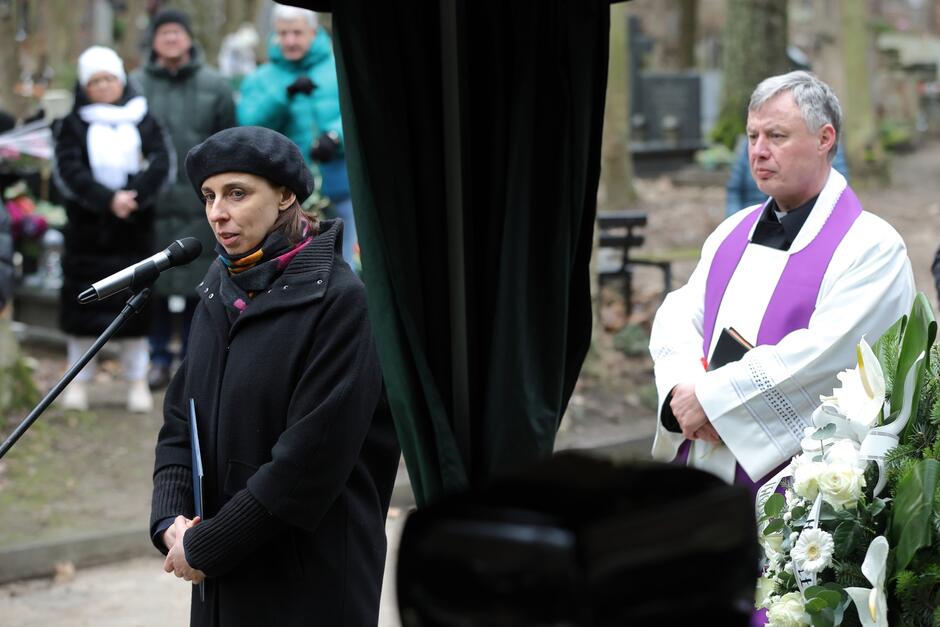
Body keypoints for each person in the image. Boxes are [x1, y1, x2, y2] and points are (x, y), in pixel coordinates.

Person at [150, 126, 399, 626]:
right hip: (223, 579)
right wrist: (170, 520)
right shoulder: (219, 292)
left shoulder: (341, 303)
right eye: (209, 196)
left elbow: (308, 464)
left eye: (237, 193)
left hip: (310, 583)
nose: (217, 212)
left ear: (286, 195)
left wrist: (207, 545)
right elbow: (181, 421)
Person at [649, 71, 915, 497]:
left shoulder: (873, 247)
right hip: (702, 466)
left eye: (776, 136)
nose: (758, 151)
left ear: (825, 139)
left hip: (802, 487)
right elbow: (679, 317)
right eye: (752, 136)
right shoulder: (731, 231)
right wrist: (683, 394)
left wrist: (715, 402)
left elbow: (827, 356)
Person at [52, 46, 171, 413]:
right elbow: (69, 170)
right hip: (89, 233)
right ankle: (79, 382)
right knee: (84, 310)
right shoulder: (73, 124)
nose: (103, 87)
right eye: (95, 81)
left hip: (134, 231)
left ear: (121, 80)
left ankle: (136, 379)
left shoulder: (143, 117)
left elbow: (161, 161)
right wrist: (107, 199)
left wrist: (134, 195)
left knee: (135, 309)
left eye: (109, 79)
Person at [132, 7, 236, 390]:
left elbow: (229, 141)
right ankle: (157, 358)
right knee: (154, 283)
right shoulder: (136, 84)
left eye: (178, 32)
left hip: (203, 201)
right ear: (155, 40)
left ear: (189, 38)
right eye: (165, 33)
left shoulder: (216, 85)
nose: (172, 39)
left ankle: (195, 362)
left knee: (202, 282)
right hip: (152, 202)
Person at [237, 5, 359, 269]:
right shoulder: (262, 78)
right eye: (283, 34)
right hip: (284, 190)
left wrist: (335, 136)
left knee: (346, 260)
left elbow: (361, 112)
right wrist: (285, 94)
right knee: (295, 263)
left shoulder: (339, 67)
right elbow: (248, 122)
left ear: (313, 32)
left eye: (297, 33)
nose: (290, 40)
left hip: (338, 180)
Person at [726, 134, 850, 216]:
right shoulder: (749, 146)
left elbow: (838, 192)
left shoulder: (823, 145)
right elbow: (734, 190)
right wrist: (741, 225)